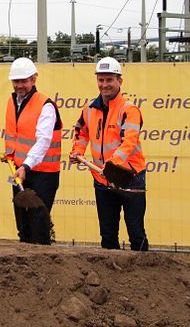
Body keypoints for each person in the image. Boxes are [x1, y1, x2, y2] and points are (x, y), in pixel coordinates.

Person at [70, 57, 149, 251]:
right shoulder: (89, 109)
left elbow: (129, 141)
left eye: (109, 80)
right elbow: (81, 132)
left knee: (136, 231)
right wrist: (77, 151)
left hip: (130, 177)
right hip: (102, 179)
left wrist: (112, 165)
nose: (105, 85)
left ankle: (145, 275)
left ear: (119, 81)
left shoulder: (129, 110)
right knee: (107, 233)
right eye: (101, 80)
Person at [4, 57, 62, 244]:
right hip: (19, 171)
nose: (19, 85)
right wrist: (12, 157)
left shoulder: (45, 105)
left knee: (39, 227)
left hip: (42, 175)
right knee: (23, 227)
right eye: (16, 81)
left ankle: (43, 268)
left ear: (34, 79)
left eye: (24, 81)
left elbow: (43, 141)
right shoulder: (12, 102)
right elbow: (15, 134)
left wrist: (26, 166)